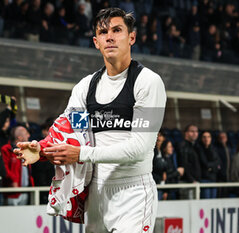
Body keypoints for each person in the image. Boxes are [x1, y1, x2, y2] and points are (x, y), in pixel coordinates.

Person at [15, 7, 166, 232]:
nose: (110, 37)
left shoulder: (148, 82)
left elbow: (140, 148)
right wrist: (43, 149)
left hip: (133, 192)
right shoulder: (84, 87)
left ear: (131, 37)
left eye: (117, 30)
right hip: (95, 193)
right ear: (96, 42)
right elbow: (68, 131)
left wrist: (82, 154)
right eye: (104, 32)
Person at [2, 126, 34, 206]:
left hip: (26, 191)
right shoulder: (6, 149)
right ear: (20, 138)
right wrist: (12, 181)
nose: (29, 136)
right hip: (13, 192)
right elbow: (4, 168)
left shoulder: (27, 150)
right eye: (26, 134)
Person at [177, 124, 201, 199]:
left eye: (196, 131)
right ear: (186, 133)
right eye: (192, 131)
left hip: (194, 181)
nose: (195, 133)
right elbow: (184, 164)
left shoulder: (195, 146)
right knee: (187, 207)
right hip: (187, 182)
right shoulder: (182, 145)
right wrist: (191, 180)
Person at [197, 131, 221, 199]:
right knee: (206, 201)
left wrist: (212, 167)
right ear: (201, 139)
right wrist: (214, 166)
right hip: (204, 179)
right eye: (204, 137)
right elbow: (205, 164)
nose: (206, 139)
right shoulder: (199, 149)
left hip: (213, 178)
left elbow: (219, 163)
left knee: (213, 202)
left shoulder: (214, 149)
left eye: (208, 137)